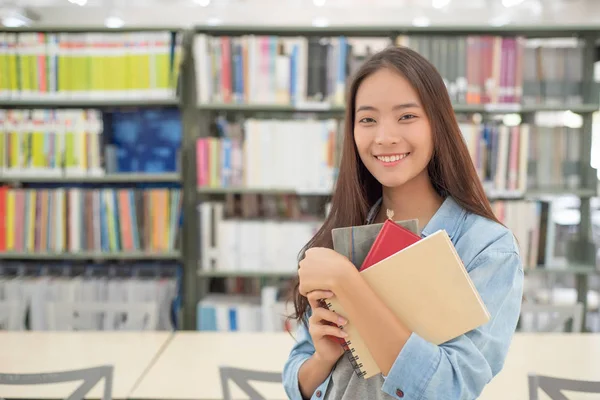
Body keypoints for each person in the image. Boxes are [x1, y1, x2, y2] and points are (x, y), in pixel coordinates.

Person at [282, 45, 524, 400]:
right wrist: (322, 358)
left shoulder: (487, 248)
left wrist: (350, 285)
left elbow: (451, 388)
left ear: (437, 124)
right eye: (367, 119)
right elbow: (296, 378)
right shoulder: (344, 230)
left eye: (406, 116)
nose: (384, 137)